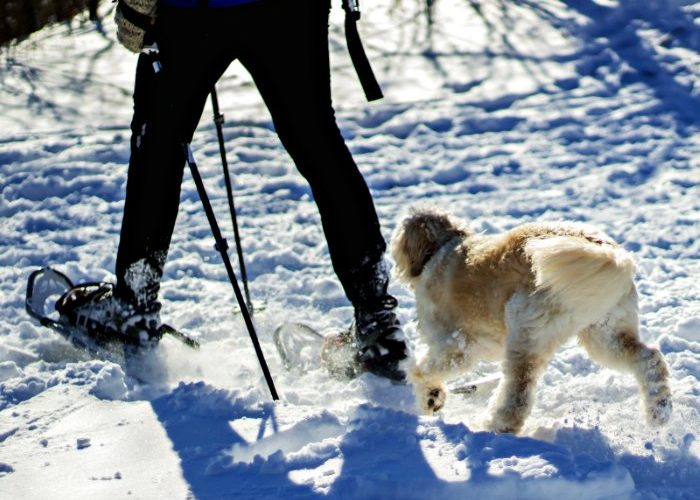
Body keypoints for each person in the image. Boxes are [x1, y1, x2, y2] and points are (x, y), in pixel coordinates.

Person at [65, 0, 408, 381]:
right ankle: (377, 319)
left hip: (192, 10)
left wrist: (137, 6)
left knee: (158, 150)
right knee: (318, 143)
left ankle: (133, 308)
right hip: (286, 11)